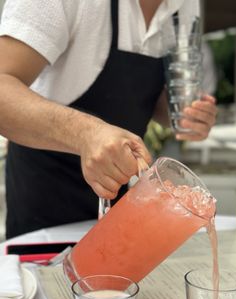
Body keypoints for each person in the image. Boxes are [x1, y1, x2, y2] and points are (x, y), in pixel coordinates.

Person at [0, 0, 217, 239]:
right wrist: (87, 134)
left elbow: (153, 101)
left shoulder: (186, 5)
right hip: (44, 203)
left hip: (118, 202)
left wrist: (185, 116)